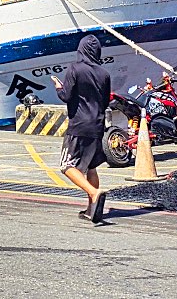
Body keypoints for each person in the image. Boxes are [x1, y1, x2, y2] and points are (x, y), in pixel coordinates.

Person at [51, 34, 111, 223]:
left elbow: (66, 96)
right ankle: (91, 209)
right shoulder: (104, 74)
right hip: (97, 125)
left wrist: (58, 87)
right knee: (91, 167)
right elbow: (106, 101)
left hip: (79, 125)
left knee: (66, 166)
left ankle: (94, 193)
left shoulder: (75, 69)